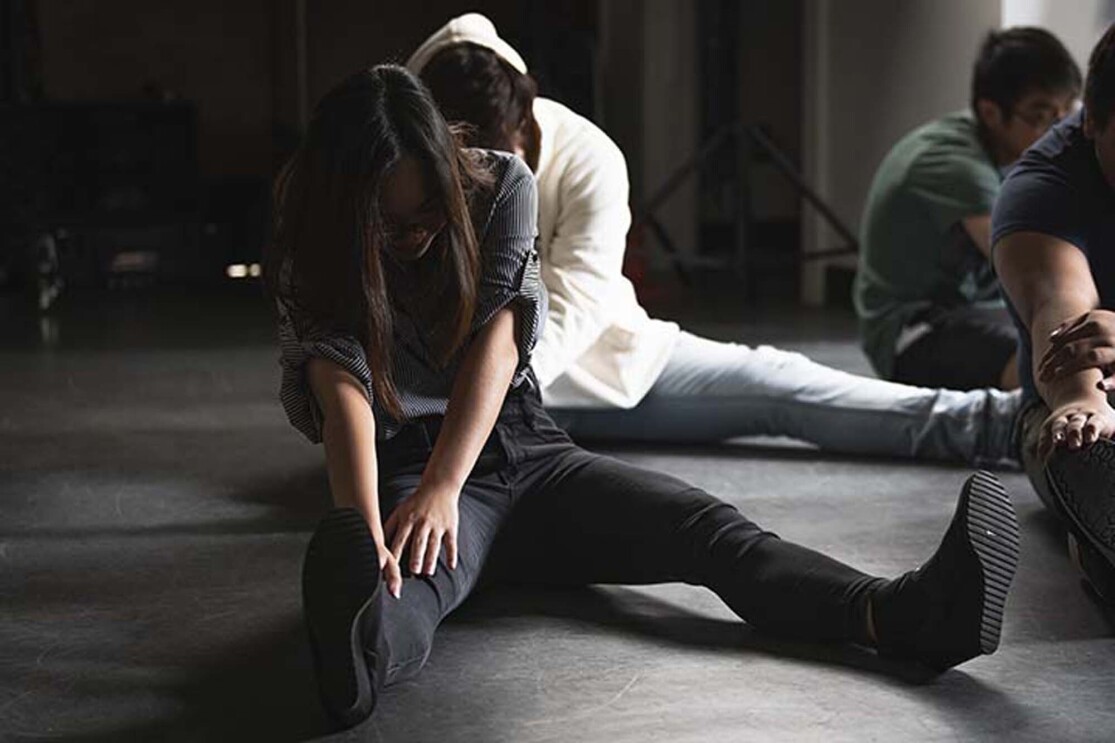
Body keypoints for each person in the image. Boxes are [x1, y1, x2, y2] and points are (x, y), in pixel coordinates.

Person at [265, 65, 1021, 730]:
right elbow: (343, 388)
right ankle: (353, 664)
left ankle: (904, 613)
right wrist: (364, 533)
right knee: (403, 589)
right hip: (403, 455)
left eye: (428, 214)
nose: (415, 237)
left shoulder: (499, 185)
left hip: (523, 448)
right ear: (348, 204)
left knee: (708, 529)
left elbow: (499, 341)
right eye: (388, 226)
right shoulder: (311, 225)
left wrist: (445, 486)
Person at [407, 14, 1020, 468]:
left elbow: (579, 302)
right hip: (440, 397)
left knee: (777, 383)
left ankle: (1002, 424)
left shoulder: (588, 155)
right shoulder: (402, 159)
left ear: (522, 117)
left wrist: (483, 401)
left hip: (592, 366)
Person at [855, 28, 1081, 391]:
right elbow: (1032, 267)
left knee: (1075, 346)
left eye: (1066, 114)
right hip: (912, 329)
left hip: (983, 309)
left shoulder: (1029, 147)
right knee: (1054, 365)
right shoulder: (952, 164)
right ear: (991, 113)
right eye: (1041, 116)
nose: (1058, 131)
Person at [993, 23, 1115, 600]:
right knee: (1085, 447)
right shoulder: (1044, 188)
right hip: (1088, 400)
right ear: (1090, 120)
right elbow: (1060, 307)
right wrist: (1082, 399)